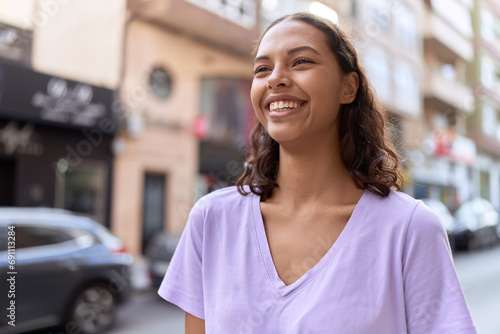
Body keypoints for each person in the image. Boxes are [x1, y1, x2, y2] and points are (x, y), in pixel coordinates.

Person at [158, 12, 476, 334]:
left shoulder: (409, 229)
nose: (275, 79)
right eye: (262, 69)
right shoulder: (211, 220)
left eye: (301, 62)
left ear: (348, 88)